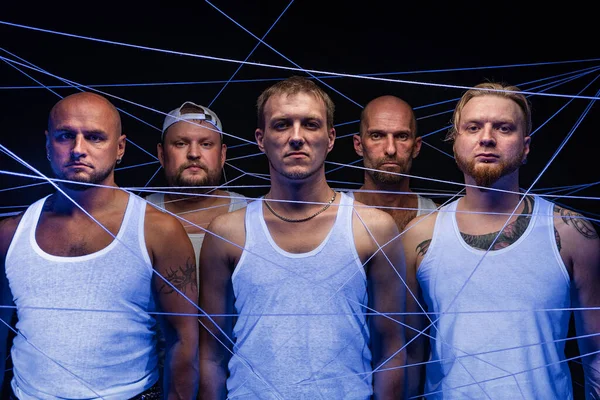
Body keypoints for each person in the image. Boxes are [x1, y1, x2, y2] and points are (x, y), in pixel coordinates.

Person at [198, 76, 408, 399]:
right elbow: (211, 354)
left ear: (331, 137)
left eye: (310, 124)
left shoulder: (373, 229)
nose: (297, 137)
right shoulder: (227, 233)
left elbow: (391, 348)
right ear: (260, 138)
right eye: (282, 125)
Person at [401, 82, 600, 399]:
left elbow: (595, 354)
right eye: (473, 127)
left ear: (526, 146)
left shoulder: (572, 233)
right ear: (456, 143)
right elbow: (408, 356)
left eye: (504, 128)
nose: (487, 138)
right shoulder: (419, 235)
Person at [0, 92, 199, 399]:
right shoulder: (11, 233)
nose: (78, 149)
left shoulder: (158, 231)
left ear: (119, 148)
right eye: (66, 136)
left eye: (94, 137)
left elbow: (184, 339)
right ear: (48, 144)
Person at [146, 101, 247, 289]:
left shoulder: (250, 214)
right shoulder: (137, 216)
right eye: (181, 143)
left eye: (206, 144)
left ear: (222, 154)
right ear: (161, 154)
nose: (193, 154)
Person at [351, 95, 437, 231]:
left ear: (416, 147)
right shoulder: (333, 215)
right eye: (377, 136)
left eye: (402, 136)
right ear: (359, 145)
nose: (390, 149)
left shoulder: (438, 218)